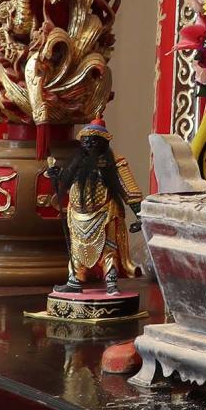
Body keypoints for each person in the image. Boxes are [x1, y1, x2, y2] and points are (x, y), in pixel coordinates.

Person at [47, 119, 141, 294]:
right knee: (76, 250)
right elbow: (65, 184)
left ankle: (111, 283)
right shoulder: (76, 162)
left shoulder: (116, 162)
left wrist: (139, 215)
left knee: (108, 249)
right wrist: (56, 176)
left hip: (105, 213)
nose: (89, 144)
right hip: (77, 215)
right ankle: (74, 281)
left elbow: (130, 190)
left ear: (104, 142)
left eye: (94, 140)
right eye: (85, 140)